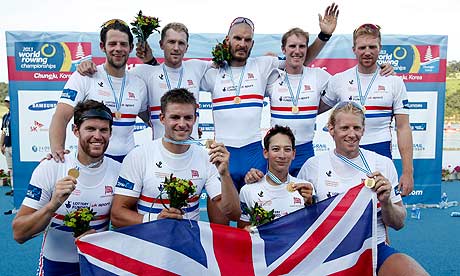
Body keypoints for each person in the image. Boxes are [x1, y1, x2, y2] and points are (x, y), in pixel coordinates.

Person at [200, 6, 339, 191]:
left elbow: (298, 59)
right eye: (238, 38)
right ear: (228, 40)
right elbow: (180, 77)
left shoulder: (263, 65)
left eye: (247, 39)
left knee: (254, 214)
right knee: (220, 214)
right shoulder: (212, 72)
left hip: (254, 153)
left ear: (252, 43)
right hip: (223, 152)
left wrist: (323, 36)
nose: (242, 43)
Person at [297, 101, 428, 275]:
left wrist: (386, 201)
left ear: (363, 130)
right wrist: (306, 204)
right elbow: (297, 221)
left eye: (356, 128)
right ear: (331, 129)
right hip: (328, 252)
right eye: (344, 128)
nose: (352, 134)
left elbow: (399, 223)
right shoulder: (313, 166)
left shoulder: (382, 164)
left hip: (374, 249)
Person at [12, 100, 120, 276]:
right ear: (76, 131)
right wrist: (52, 205)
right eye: (90, 129)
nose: (98, 136)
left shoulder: (118, 170)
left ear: (110, 133)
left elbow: (124, 226)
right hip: (56, 266)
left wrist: (102, 241)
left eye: (104, 130)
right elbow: (19, 233)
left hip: (98, 264)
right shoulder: (51, 167)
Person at [110, 88, 240, 227]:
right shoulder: (139, 155)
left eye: (188, 117)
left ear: (195, 119)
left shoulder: (206, 157)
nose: (182, 124)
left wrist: (225, 174)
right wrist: (155, 219)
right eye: (175, 117)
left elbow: (233, 214)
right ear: (162, 118)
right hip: (149, 242)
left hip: (187, 243)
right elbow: (117, 215)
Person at [321, 23, 413, 196]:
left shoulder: (394, 82)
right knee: (344, 208)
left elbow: (403, 128)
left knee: (383, 210)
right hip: (346, 152)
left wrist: (408, 172)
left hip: (380, 151)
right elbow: (313, 109)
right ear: (354, 49)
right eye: (362, 47)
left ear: (380, 48)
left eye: (372, 47)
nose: (367, 52)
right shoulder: (339, 80)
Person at [78, 22, 209, 140]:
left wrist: (188, 123)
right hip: (160, 152)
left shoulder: (197, 67)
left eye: (181, 43)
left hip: (191, 149)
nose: (176, 48)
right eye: (171, 42)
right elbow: (115, 73)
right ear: (161, 44)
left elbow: (225, 66)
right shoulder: (144, 73)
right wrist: (87, 65)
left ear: (187, 47)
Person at [49, 19, 148, 163]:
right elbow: (61, 116)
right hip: (93, 162)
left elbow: (154, 121)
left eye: (123, 44)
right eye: (112, 44)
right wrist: (57, 150)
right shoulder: (85, 76)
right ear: (102, 46)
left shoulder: (139, 84)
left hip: (128, 164)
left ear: (131, 47)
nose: (118, 48)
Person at [238, 125, 314, 229]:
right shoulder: (248, 190)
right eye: (276, 149)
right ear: (265, 153)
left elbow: (313, 230)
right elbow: (243, 233)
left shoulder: (306, 189)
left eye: (287, 149)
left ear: (293, 154)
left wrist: (310, 205)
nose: (282, 155)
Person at [1, 96, 13, 197]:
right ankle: (13, 188)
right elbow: (4, 131)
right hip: (7, 145)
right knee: (10, 169)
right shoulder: (5, 116)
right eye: (6, 102)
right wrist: (1, 144)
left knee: (16, 169)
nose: (7, 103)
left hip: (15, 146)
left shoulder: (15, 115)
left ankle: (16, 188)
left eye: (8, 101)